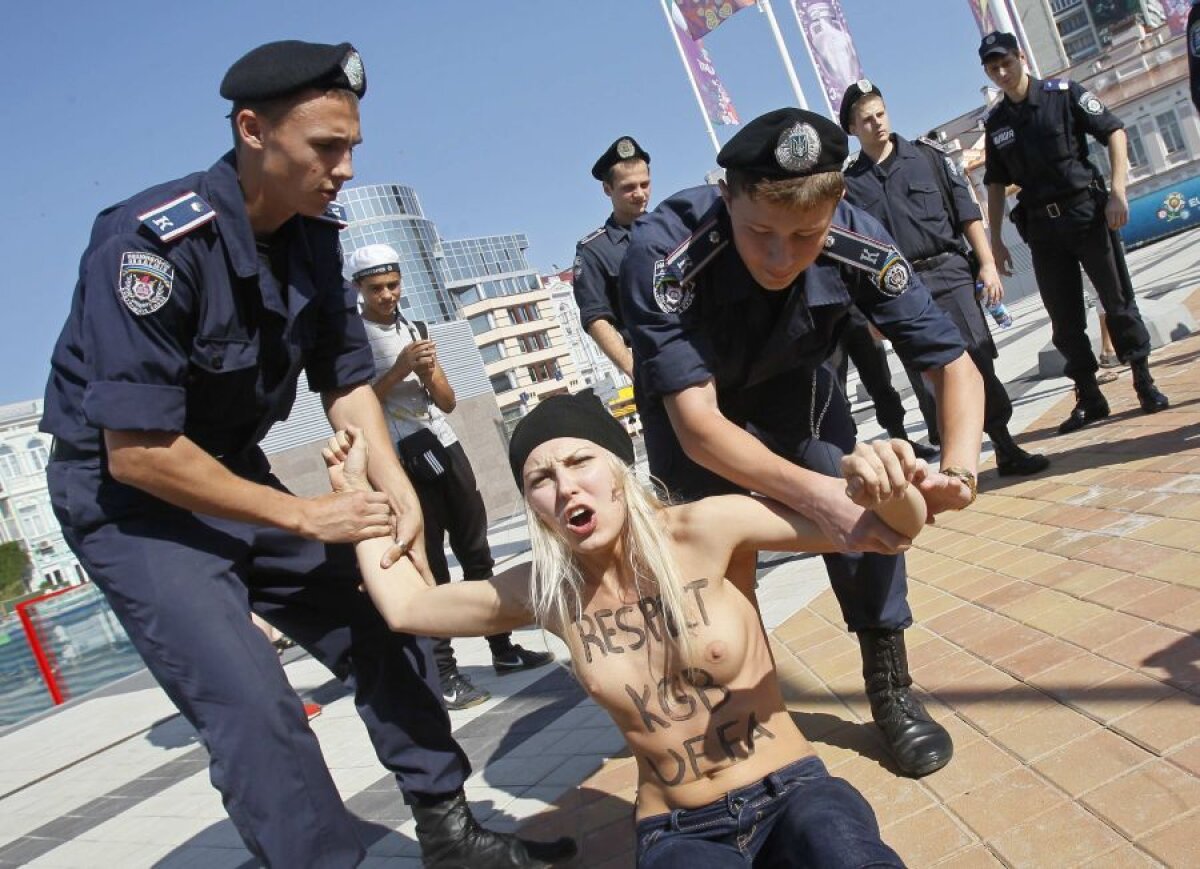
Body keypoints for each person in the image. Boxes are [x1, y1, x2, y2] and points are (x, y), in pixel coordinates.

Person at [40, 40, 573, 869]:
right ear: (253, 131)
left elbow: (346, 376)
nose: (347, 167)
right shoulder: (151, 245)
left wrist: (392, 486)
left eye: (352, 145)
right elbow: (139, 453)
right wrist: (305, 511)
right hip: (132, 503)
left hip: (229, 470)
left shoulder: (313, 238)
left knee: (386, 609)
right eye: (327, 147)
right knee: (253, 702)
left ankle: (449, 832)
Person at [323, 391, 914, 868]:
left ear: (617, 470)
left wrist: (890, 485)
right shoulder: (549, 592)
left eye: (579, 461)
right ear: (535, 507)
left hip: (792, 792)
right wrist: (356, 501)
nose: (565, 487)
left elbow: (882, 529)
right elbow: (407, 608)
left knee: (848, 854)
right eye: (540, 479)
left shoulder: (705, 530)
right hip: (679, 829)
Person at [620, 108, 986, 779]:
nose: (780, 256)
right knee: (710, 562)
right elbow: (699, 424)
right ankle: (745, 711)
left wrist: (958, 474)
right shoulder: (664, 254)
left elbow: (952, 365)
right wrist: (819, 502)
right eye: (759, 231)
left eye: (804, 236)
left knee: (869, 497)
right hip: (693, 416)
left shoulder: (856, 237)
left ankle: (890, 684)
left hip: (798, 397)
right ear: (725, 194)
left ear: (836, 206)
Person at [349, 244, 554, 711]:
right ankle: (444, 671)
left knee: (475, 548)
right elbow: (355, 402)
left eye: (393, 285)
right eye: (376, 288)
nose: (387, 295)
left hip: (442, 443)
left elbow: (447, 401)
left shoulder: (414, 326)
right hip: (401, 456)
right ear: (358, 289)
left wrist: (426, 371)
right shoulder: (354, 339)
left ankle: (503, 650)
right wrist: (398, 368)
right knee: (431, 563)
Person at [841, 79, 1049, 476]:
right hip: (898, 290)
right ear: (852, 129)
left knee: (977, 357)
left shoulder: (928, 157)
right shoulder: (849, 185)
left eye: (881, 114)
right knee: (929, 377)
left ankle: (1005, 446)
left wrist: (986, 263)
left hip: (949, 273)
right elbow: (850, 254)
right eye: (866, 120)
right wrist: (867, 313)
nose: (878, 124)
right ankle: (957, 466)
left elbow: (967, 213)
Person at [979, 31, 1169, 434]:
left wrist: (1118, 191)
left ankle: (1143, 379)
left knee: (1117, 302)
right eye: (993, 68)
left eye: (1006, 63)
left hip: (1085, 212)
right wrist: (994, 239)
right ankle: (1089, 395)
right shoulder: (997, 124)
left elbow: (1114, 131)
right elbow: (995, 184)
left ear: (1021, 57)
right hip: (1042, 228)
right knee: (1063, 319)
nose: (1001, 72)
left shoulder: (1062, 94)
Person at [572, 136, 652, 380]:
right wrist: (634, 370)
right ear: (607, 189)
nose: (640, 194)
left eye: (645, 184)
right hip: (653, 363)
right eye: (628, 187)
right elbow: (596, 318)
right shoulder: (594, 250)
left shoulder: (673, 227)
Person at [835, 306, 940, 461]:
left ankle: (901, 442)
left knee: (882, 383)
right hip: (824, 322)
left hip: (859, 312)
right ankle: (849, 455)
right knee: (836, 396)